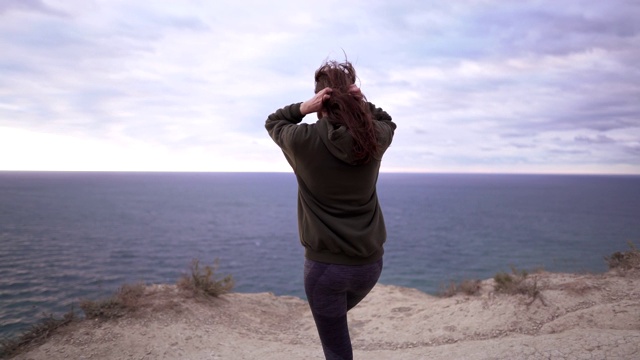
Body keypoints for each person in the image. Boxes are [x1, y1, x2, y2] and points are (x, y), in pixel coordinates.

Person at [265, 59, 396, 360]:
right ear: (352, 96)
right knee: (337, 339)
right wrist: (360, 105)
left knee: (336, 349)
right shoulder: (374, 138)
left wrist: (302, 108)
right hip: (370, 266)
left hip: (325, 271)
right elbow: (387, 120)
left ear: (319, 100)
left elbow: (274, 122)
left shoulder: (303, 141)